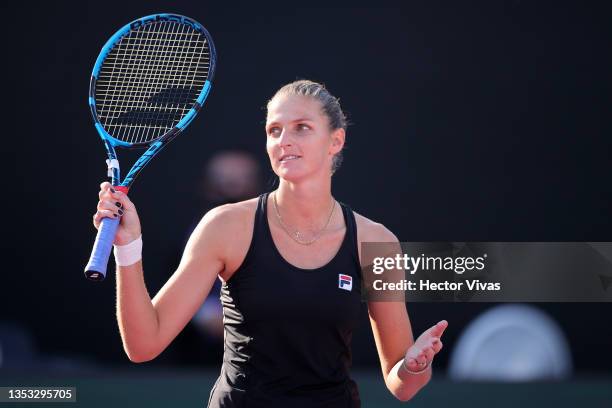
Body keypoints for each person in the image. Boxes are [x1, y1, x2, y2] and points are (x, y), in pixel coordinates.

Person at [93, 79, 448, 407]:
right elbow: (144, 345)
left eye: (301, 128)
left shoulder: (376, 241)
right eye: (274, 131)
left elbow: (401, 384)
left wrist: (414, 366)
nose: (284, 141)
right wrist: (128, 246)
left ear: (336, 141)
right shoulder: (226, 226)